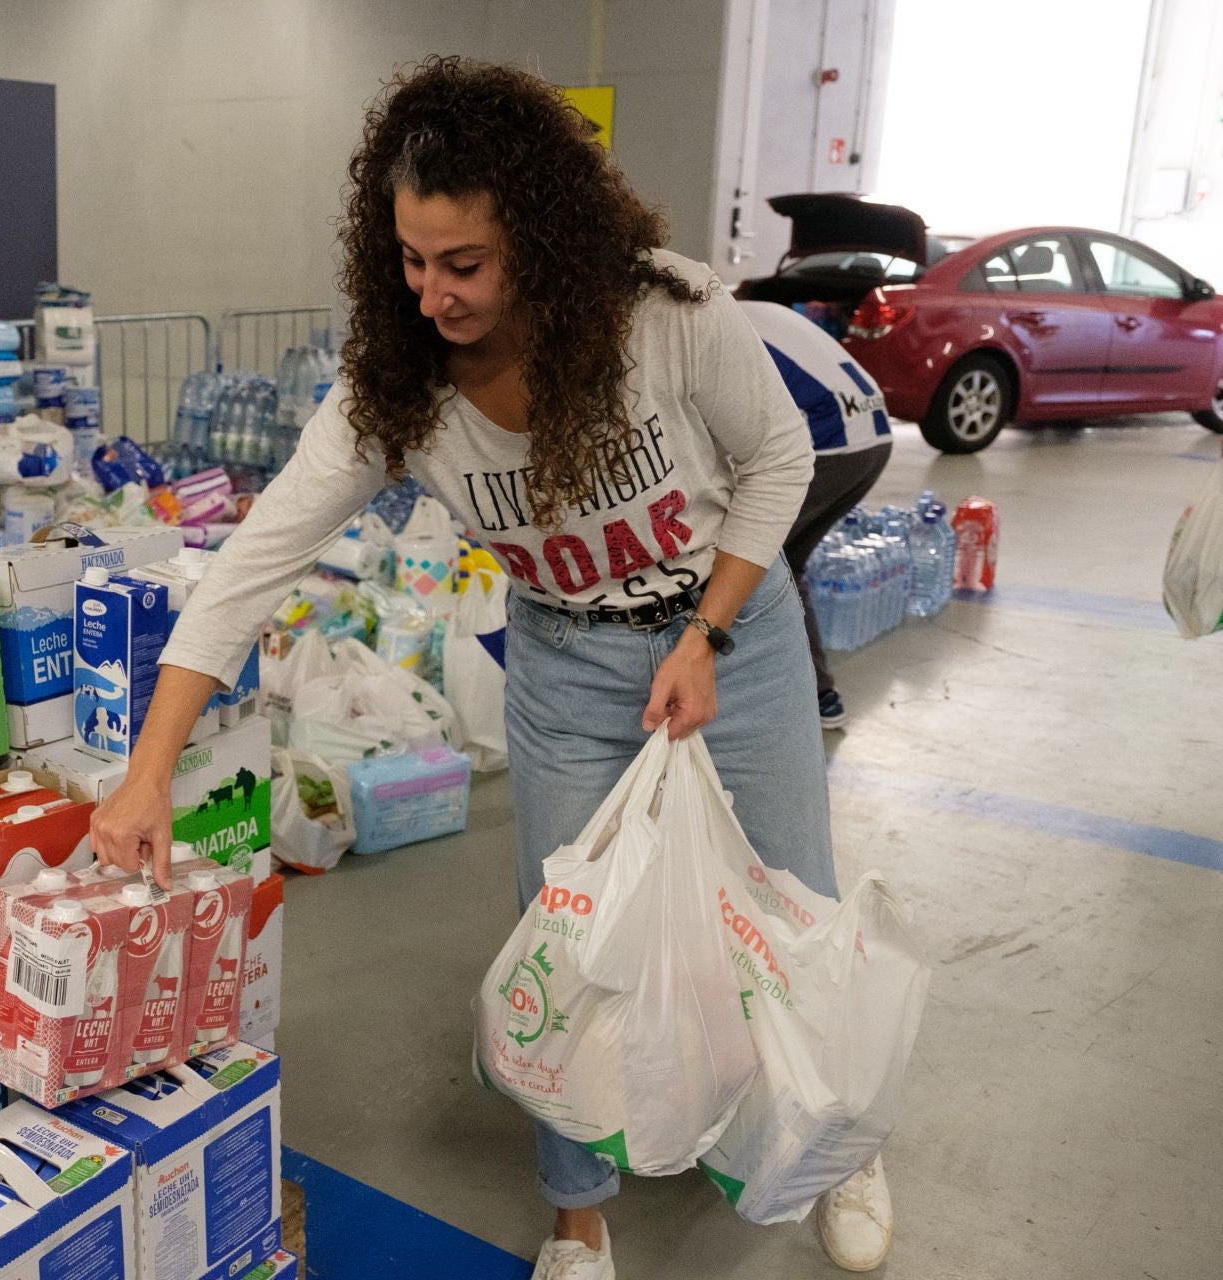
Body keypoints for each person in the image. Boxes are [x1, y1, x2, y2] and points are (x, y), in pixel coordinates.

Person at [90, 57, 894, 1276]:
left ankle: (836, 1143)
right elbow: (253, 562)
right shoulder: (397, 392)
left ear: (542, 237)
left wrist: (708, 630)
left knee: (794, 913)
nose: (433, 294)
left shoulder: (665, 316)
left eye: (462, 263)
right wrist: (148, 771)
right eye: (410, 261)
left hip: (738, 642)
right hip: (568, 669)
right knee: (563, 962)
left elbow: (778, 465)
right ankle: (577, 1215)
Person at [739, 300, 895, 730]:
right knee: (784, 564)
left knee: (735, 562)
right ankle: (818, 693)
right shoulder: (759, 310)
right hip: (875, 438)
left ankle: (732, 698)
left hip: (826, 447)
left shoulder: (708, 326)